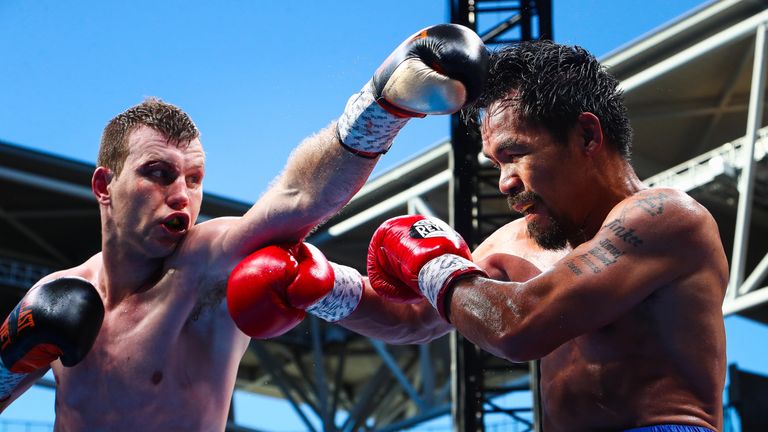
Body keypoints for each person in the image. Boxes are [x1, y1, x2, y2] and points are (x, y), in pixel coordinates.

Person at [0, 24, 489, 430]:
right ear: (104, 186)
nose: (182, 195)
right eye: (159, 173)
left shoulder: (205, 263)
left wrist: (381, 107)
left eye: (194, 179)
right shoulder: (56, 294)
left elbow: (299, 196)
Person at [297, 40, 729, 432]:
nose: (505, 182)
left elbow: (518, 327)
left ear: (587, 135)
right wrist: (318, 284)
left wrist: (431, 262)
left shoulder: (665, 217)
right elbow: (413, 317)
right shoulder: (515, 241)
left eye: (515, 154)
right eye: (496, 163)